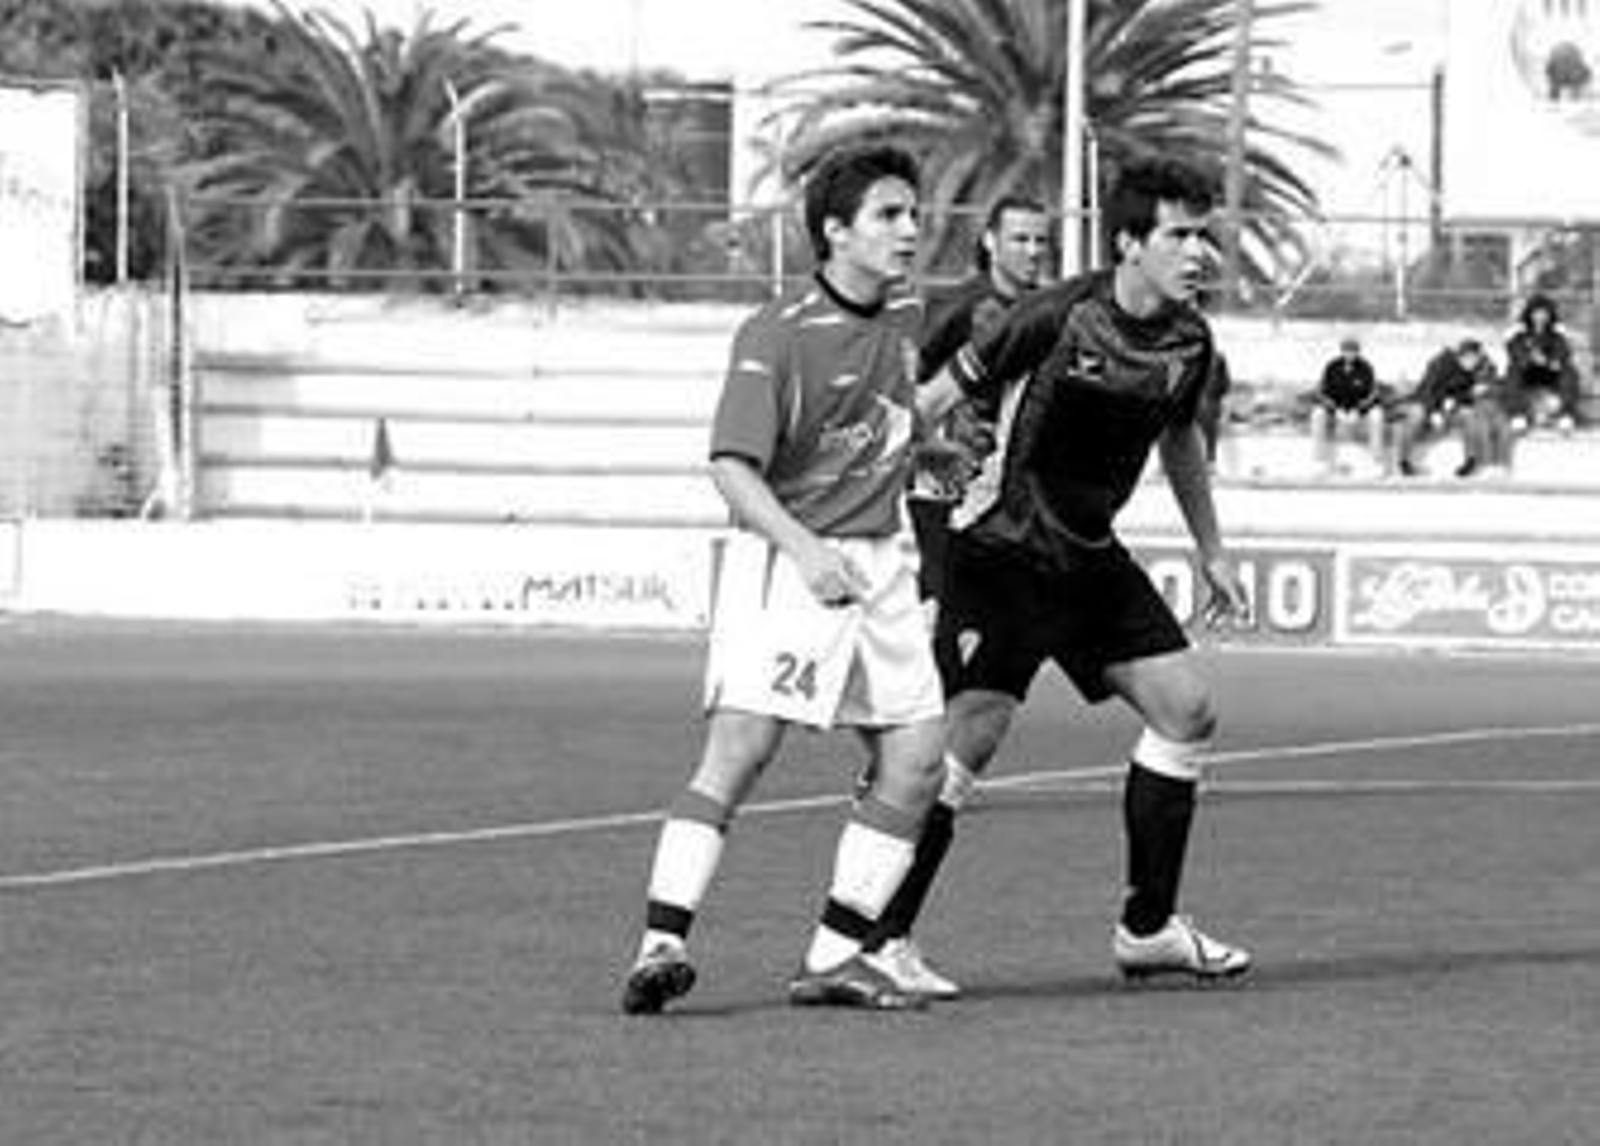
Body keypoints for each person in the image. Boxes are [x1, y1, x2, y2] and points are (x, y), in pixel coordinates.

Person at [867, 157, 1255, 996]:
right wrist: (861, 493)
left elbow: (1180, 438)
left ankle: (1148, 930)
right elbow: (933, 399)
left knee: (1187, 709)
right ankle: (879, 940)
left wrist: (1211, 548)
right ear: (1129, 242)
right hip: (1000, 549)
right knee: (966, 740)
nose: (1199, 253)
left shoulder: (1191, 340)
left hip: (1087, 555)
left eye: (1205, 235)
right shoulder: (1052, 318)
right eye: (1180, 235)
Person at [619, 144, 946, 1015]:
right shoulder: (776, 333)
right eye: (888, 215)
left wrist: (929, 448)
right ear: (834, 231)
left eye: (914, 213)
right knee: (742, 750)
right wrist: (804, 549)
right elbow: (732, 467)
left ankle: (834, 959)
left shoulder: (907, 314)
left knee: (916, 763)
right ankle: (661, 945)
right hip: (790, 560)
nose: (911, 230)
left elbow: (883, 417)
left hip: (883, 562)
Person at [909, 196, 1050, 608]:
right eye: (1020, 239)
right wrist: (929, 446)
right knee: (942, 586)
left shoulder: (1050, 310)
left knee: (995, 599)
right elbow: (907, 382)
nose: (1033, 250)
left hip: (1012, 480)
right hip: (948, 476)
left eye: (1041, 240)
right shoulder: (953, 306)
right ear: (990, 241)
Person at [1395, 338, 1504, 477]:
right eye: (1466, 359)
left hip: (1456, 405)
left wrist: (1463, 398)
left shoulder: (1484, 365)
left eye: (1474, 359)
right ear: (1458, 356)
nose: (1470, 363)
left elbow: (1486, 383)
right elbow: (1428, 389)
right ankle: (1404, 461)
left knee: (1469, 415)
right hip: (1431, 401)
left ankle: (1470, 461)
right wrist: (1433, 411)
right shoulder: (1440, 363)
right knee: (1417, 414)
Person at [1504, 293, 1582, 432]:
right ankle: (1517, 415)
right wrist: (1528, 359)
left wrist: (1550, 361)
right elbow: (1514, 351)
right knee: (1512, 371)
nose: (1540, 317)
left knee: (1570, 372)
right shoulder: (1520, 332)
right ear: (1530, 314)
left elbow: (1562, 353)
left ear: (1550, 314)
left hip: (1550, 372)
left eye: (1544, 313)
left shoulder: (1557, 332)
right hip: (1528, 371)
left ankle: (1566, 415)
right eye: (1537, 313)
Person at [1309, 336, 1386, 474]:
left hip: (1359, 411)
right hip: (1336, 410)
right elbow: (1321, 393)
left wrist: (1358, 411)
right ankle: (1319, 460)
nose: (1350, 354)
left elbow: (1373, 394)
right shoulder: (1332, 367)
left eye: (1353, 351)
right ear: (1342, 351)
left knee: (1377, 416)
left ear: (1358, 352)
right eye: (1347, 351)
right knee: (1317, 414)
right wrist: (1335, 410)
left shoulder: (1366, 368)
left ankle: (1376, 461)